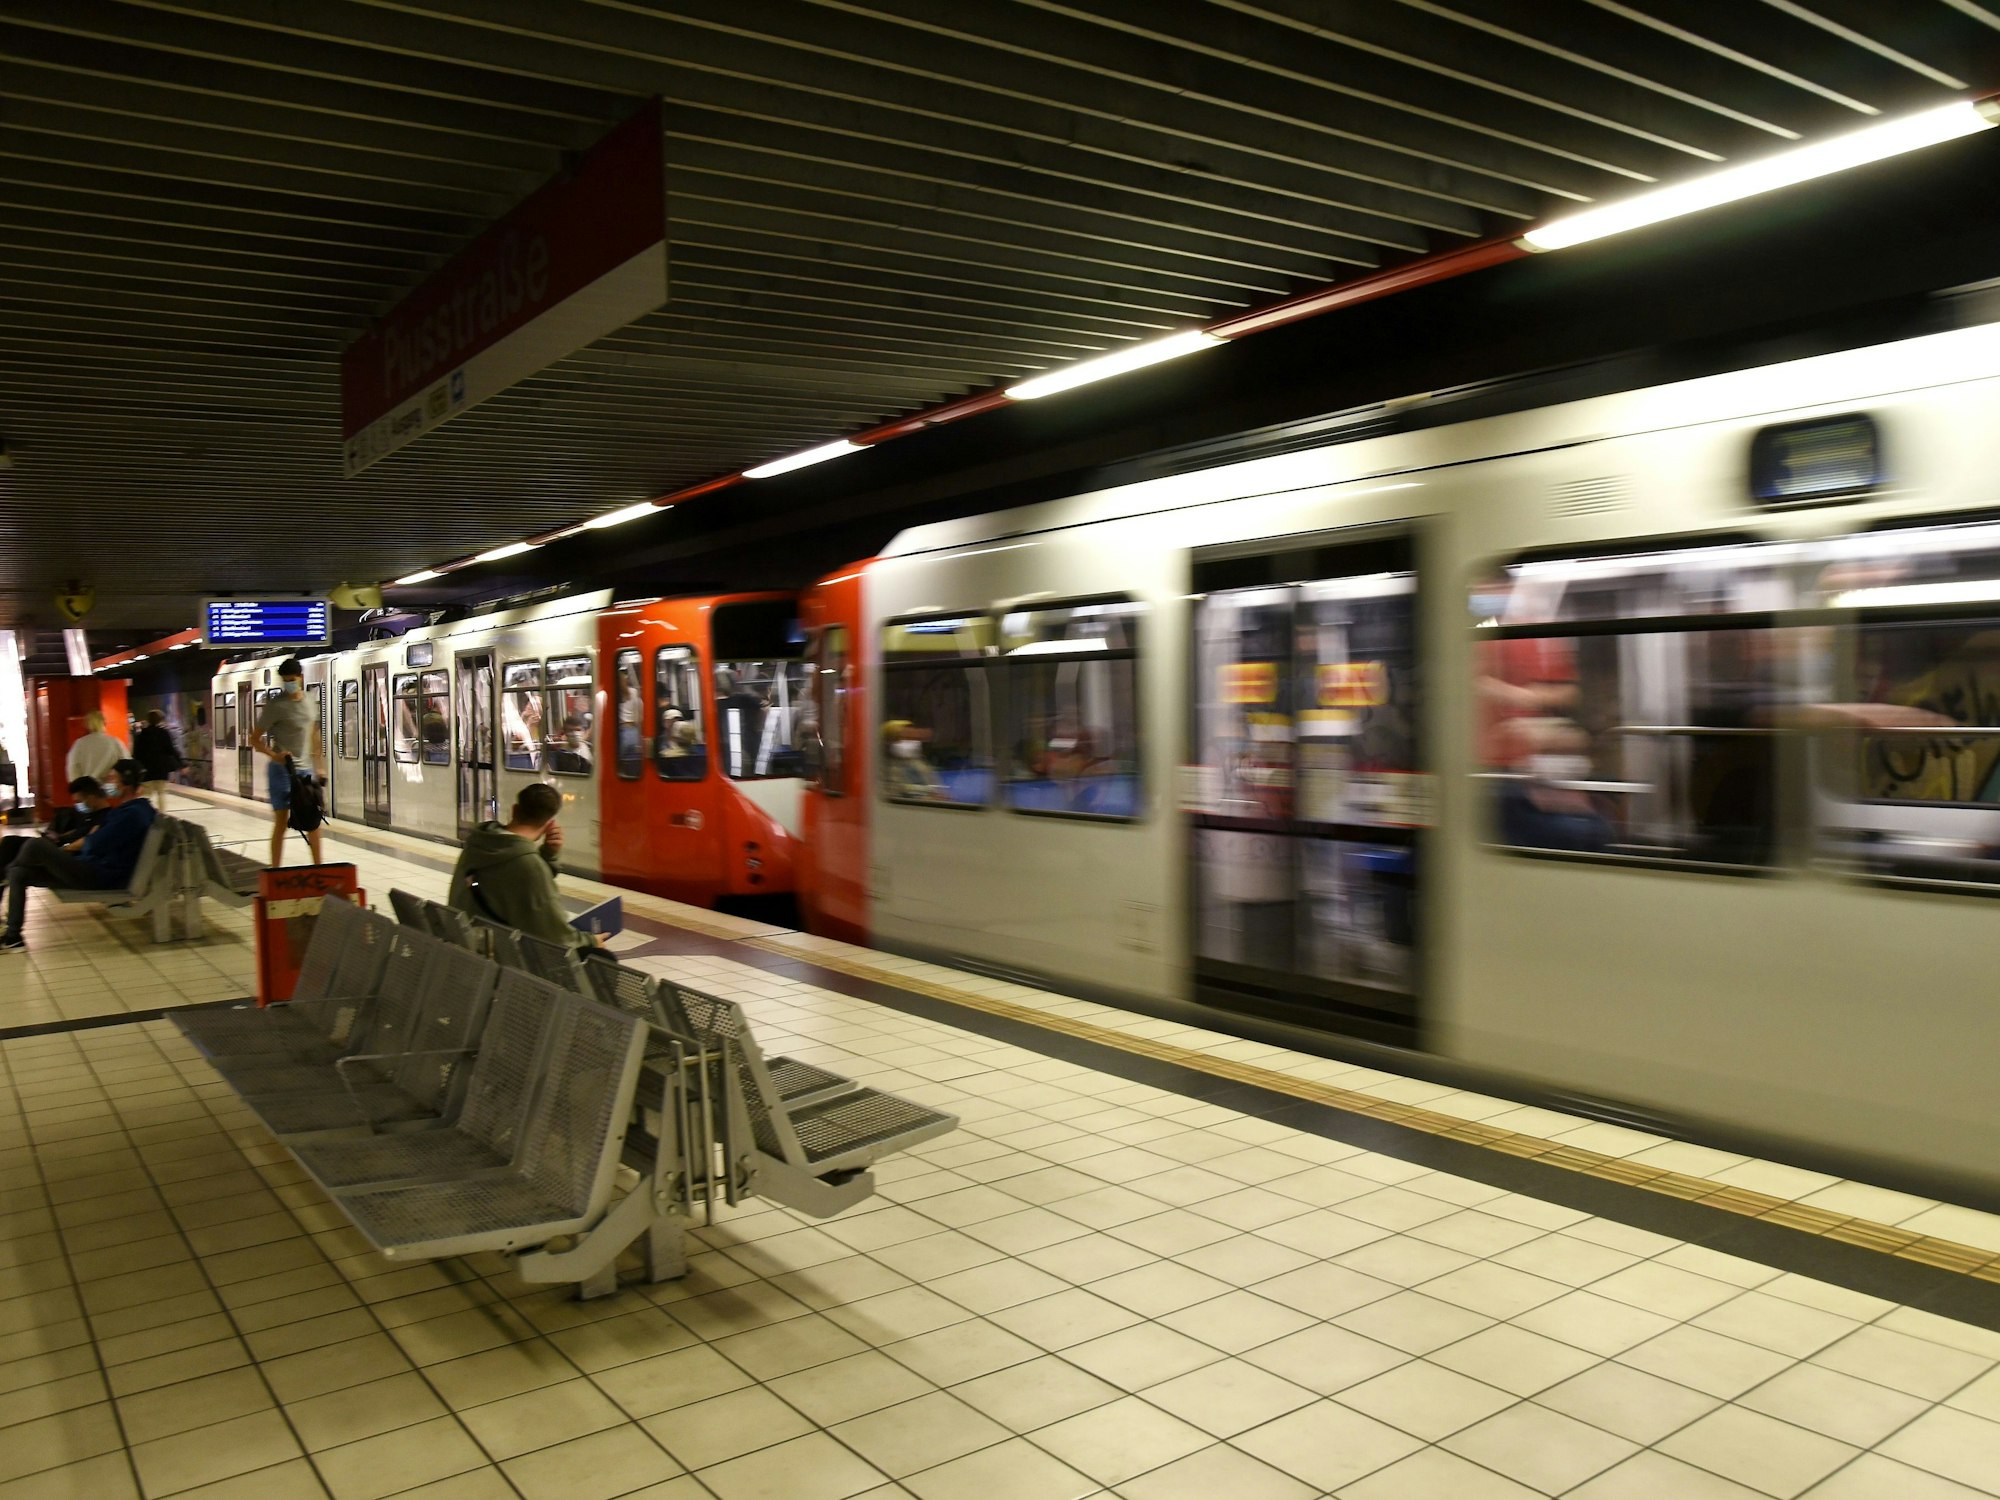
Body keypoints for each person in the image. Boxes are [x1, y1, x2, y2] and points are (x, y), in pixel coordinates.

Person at [1, 776, 156, 954]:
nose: (108, 782)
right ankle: (13, 938)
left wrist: (71, 848)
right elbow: (91, 840)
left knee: (34, 846)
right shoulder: (127, 812)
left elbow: (94, 844)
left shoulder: (131, 815)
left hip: (97, 874)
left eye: (114, 778)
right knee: (19, 872)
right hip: (87, 866)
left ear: (125, 783)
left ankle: (5, 875)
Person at [447, 783, 599, 951]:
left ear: (514, 810)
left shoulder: (478, 842)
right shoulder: (529, 865)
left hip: (464, 942)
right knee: (601, 956)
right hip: (497, 952)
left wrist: (548, 855)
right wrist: (592, 941)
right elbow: (556, 936)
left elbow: (516, 882)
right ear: (549, 824)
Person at [247, 659, 324, 868]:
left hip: (305, 769)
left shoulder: (309, 701)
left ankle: (319, 869)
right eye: (286, 681)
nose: (289, 684)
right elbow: (254, 738)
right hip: (281, 770)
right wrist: (274, 755)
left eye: (292, 679)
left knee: (312, 821)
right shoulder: (275, 705)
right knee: (281, 822)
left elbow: (314, 733)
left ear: (301, 677)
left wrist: (320, 765)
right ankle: (275, 870)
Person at [132, 710, 183, 811]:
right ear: (160, 720)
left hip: (146, 770)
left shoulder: (142, 734)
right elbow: (171, 750)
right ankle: (162, 815)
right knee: (161, 793)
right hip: (161, 769)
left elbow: (136, 754)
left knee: (146, 795)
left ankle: (145, 814)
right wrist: (181, 764)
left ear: (148, 720)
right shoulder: (164, 733)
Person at [65, 711, 125, 786]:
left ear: (87, 725)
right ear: (104, 723)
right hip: (112, 788)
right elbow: (126, 763)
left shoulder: (79, 744)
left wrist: (79, 787)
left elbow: (72, 770)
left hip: (89, 789)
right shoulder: (115, 742)